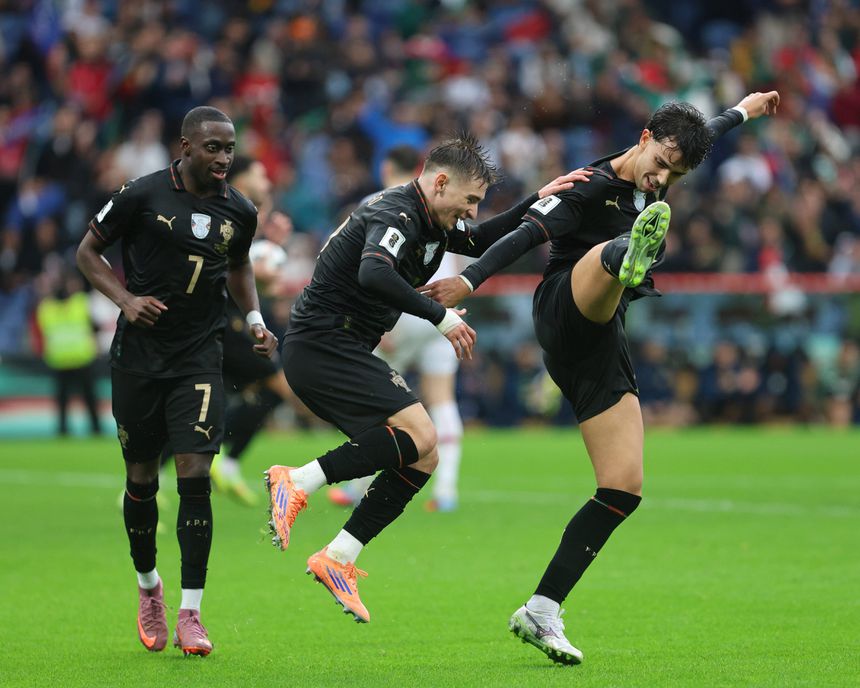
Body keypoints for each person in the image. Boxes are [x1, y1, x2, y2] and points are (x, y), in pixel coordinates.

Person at [422, 92, 780, 665]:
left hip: (600, 340)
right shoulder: (587, 185)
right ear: (643, 138)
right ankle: (625, 255)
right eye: (660, 164)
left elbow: (701, 133)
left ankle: (541, 609)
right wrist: (469, 281)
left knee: (622, 488)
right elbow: (524, 236)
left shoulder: (663, 164)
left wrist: (745, 109)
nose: (663, 178)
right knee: (611, 253)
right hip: (564, 306)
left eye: (676, 174)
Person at [265, 133, 591, 623]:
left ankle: (339, 556)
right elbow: (374, 273)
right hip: (323, 344)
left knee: (424, 455)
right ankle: (296, 480)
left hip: (340, 347)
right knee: (421, 434)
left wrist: (537, 199)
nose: (472, 212)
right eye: (470, 199)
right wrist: (442, 318)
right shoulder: (396, 212)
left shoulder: (433, 220)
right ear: (440, 183)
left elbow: (480, 239)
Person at [76, 106, 277, 656]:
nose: (224, 157)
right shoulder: (141, 194)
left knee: (194, 473)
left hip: (199, 357)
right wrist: (125, 299)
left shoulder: (240, 209)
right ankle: (149, 588)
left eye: (229, 148)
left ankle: (191, 612)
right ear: (185, 146)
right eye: (213, 147)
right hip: (138, 358)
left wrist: (255, 319)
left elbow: (239, 266)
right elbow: (87, 252)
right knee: (141, 480)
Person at [327, 144, 465, 512]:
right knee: (443, 398)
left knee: (381, 402)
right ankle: (446, 491)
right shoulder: (441, 204)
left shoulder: (381, 201)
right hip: (441, 310)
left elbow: (357, 262)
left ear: (386, 167)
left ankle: (356, 486)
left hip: (402, 313)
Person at [34, 268, 101, 436]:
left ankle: (68, 431)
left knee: (70, 400)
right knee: (81, 399)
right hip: (74, 358)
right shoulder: (82, 302)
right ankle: (93, 430)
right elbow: (95, 327)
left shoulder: (46, 307)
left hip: (70, 359)